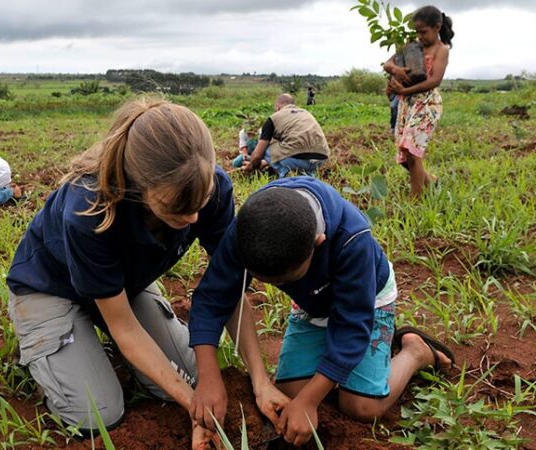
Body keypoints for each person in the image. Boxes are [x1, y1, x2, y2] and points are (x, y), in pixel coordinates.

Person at [5, 99, 270, 448]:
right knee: (97, 413)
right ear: (138, 188)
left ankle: (94, 353)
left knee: (191, 374)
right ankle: (46, 349)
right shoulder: (90, 210)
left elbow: (231, 288)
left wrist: (260, 379)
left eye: (200, 204)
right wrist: (194, 406)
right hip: (51, 288)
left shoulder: (209, 186)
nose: (192, 219)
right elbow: (125, 327)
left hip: (123, 286)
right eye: (175, 209)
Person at [188, 177, 455, 446]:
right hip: (312, 304)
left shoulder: (353, 239)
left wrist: (310, 400)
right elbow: (212, 297)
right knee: (289, 391)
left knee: (362, 407)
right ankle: (344, 369)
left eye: (286, 280)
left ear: (318, 242)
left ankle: (415, 352)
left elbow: (352, 327)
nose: (280, 286)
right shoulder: (249, 229)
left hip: (368, 301)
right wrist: (209, 376)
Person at [384, 5, 454, 198]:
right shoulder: (412, 46)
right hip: (407, 105)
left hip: (428, 104)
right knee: (404, 157)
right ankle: (432, 181)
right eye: (417, 32)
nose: (420, 36)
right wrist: (395, 70)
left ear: (437, 27)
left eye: (423, 32)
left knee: (413, 153)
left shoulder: (442, 50)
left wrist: (404, 90)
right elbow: (388, 63)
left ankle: (416, 201)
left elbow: (434, 81)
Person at [242, 93, 330, 178]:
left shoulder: (274, 118)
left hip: (296, 159)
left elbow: (258, 155)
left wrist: (251, 166)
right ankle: (308, 176)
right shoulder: (307, 113)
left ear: (277, 107)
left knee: (265, 148)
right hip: (321, 158)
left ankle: (285, 174)